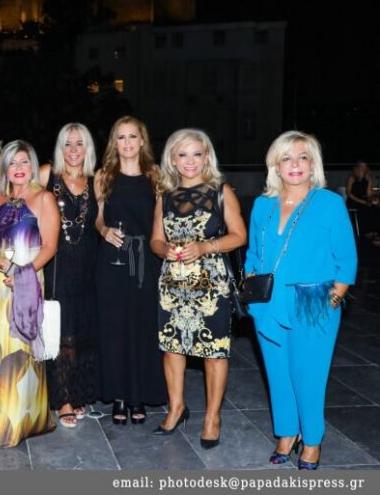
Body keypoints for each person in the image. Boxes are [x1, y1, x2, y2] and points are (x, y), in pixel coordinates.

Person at [245, 131, 356, 469]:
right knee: (277, 373)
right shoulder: (262, 205)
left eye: (303, 157)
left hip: (313, 303)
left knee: (308, 375)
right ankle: (286, 433)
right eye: (287, 158)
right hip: (268, 303)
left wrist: (333, 299)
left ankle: (312, 440)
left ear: (313, 164)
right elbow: (253, 253)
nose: (295, 164)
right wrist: (251, 287)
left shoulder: (329, 203)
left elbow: (347, 258)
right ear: (275, 166)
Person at [149, 128, 247, 448]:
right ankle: (176, 408)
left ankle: (212, 417)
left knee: (214, 350)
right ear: (172, 159)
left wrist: (205, 247)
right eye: (182, 154)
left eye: (196, 154)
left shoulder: (221, 191)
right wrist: (164, 250)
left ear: (207, 157)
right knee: (172, 347)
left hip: (211, 284)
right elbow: (155, 240)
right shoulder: (164, 195)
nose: (190, 161)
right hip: (172, 282)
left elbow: (239, 236)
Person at [0, 140, 59, 447]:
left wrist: (21, 272)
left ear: (32, 166)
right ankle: (23, 418)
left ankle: (4, 423)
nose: (19, 168)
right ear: (5, 169)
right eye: (13, 162)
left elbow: (50, 246)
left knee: (14, 352)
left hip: (26, 281)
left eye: (24, 162)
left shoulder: (43, 198)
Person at [95, 116, 166, 426]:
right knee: (114, 328)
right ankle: (119, 395)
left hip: (146, 261)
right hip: (111, 261)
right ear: (114, 142)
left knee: (143, 326)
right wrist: (104, 230)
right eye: (121, 137)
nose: (127, 143)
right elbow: (98, 217)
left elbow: (161, 221)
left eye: (132, 136)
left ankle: (139, 394)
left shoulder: (155, 175)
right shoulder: (103, 176)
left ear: (142, 141)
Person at [38, 123, 99, 428]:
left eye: (79, 144)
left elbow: (102, 221)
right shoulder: (46, 174)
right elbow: (23, 203)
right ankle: (62, 399)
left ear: (88, 149)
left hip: (89, 266)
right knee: (60, 331)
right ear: (59, 148)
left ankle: (77, 393)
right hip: (55, 265)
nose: (73, 150)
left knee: (83, 330)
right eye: (68, 144)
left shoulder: (96, 180)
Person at [346, 160, 380, 237]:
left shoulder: (368, 178)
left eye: (365, 166)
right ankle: (365, 232)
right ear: (357, 167)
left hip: (363, 199)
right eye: (361, 166)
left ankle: (374, 231)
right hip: (353, 199)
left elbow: (368, 194)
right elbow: (348, 193)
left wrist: (370, 182)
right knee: (365, 208)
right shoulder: (352, 177)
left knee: (375, 207)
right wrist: (363, 202)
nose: (363, 168)